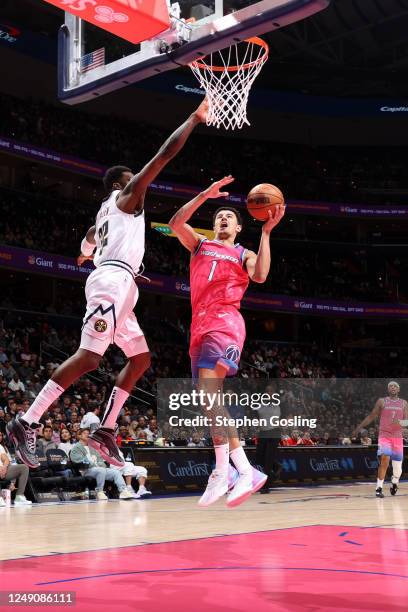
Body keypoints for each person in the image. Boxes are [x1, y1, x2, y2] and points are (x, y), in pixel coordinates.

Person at [7, 99, 208, 470]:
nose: (140, 181)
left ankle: (106, 430)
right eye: (133, 176)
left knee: (141, 358)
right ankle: (26, 421)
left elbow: (87, 237)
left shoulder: (106, 212)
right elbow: (163, 155)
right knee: (90, 357)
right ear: (120, 183)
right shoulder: (127, 198)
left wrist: (84, 253)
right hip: (112, 282)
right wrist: (194, 119)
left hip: (122, 284)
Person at [169, 176, 285, 507]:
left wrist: (265, 233)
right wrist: (205, 194)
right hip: (199, 327)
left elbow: (260, 275)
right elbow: (177, 221)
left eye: (229, 217)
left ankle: (227, 470)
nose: (223, 218)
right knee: (208, 403)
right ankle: (242, 470)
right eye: (218, 216)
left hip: (225, 323)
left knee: (208, 394)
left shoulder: (242, 252)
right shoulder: (200, 245)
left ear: (237, 228)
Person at [353, 381, 408, 498]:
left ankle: (394, 482)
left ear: (398, 390)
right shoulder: (382, 401)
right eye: (390, 386)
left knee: (398, 469)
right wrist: (359, 427)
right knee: (384, 460)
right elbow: (371, 416)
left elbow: (406, 422)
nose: (393, 388)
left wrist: (399, 422)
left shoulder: (404, 403)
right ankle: (379, 488)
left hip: (397, 437)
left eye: (395, 386)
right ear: (388, 390)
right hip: (384, 436)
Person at [70, 428, 133, 500]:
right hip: (86, 470)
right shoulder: (76, 448)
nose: (87, 434)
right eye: (85, 433)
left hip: (98, 469)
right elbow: (77, 461)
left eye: (88, 433)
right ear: (79, 436)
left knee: (116, 472)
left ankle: (123, 491)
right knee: (101, 470)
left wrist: (99, 464)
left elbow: (101, 461)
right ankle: (99, 492)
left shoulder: (92, 448)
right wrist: (91, 462)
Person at [0, 431, 32, 506]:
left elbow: (6, 459)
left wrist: (4, 468)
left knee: (24, 468)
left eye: (1, 435)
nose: (0, 437)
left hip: (3, 471)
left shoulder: (0, 447)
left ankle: (19, 497)